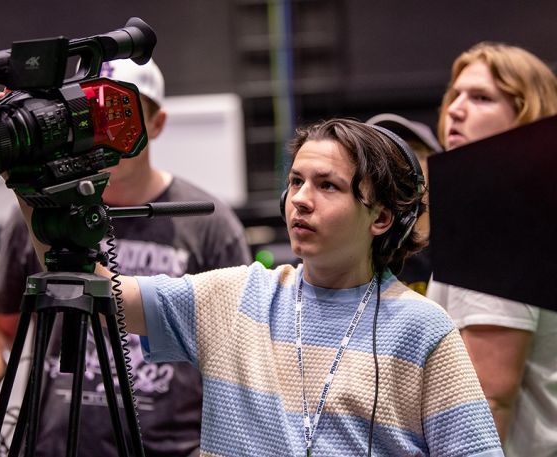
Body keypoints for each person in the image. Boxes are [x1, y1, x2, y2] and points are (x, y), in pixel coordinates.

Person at [82, 118, 502, 456]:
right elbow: (105, 297)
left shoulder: (424, 329)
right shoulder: (234, 296)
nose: (300, 198)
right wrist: (37, 195)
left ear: (381, 218)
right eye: (296, 181)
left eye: (327, 185)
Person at [0, 58, 252, 457]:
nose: (103, 130)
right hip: (54, 446)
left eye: (120, 113)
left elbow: (239, 354)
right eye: (89, 113)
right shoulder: (40, 213)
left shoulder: (209, 225)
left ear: (157, 124)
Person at [426, 41, 557, 457]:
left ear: (527, 115)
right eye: (456, 95)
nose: (456, 110)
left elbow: (487, 394)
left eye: (482, 98)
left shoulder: (498, 212)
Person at [366, 113, 442, 295]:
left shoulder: (460, 247)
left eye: (414, 152)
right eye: (388, 155)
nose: (403, 163)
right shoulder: (346, 247)